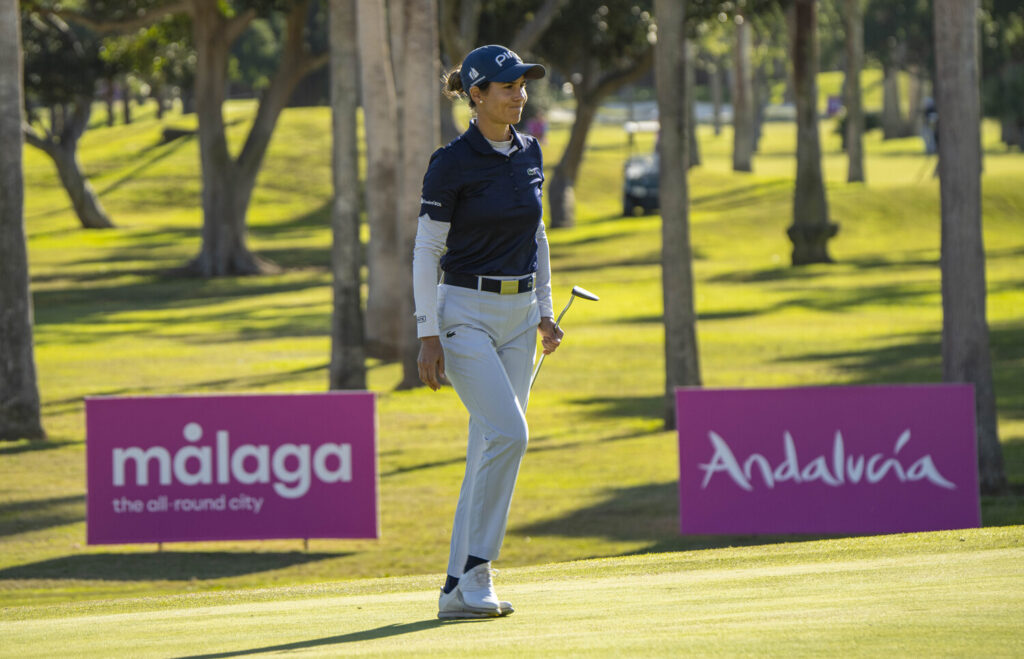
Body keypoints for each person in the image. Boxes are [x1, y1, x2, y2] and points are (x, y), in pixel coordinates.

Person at [412, 44, 562, 620]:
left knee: (488, 447)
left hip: (520, 317)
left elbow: (537, 235)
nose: (519, 94)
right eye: (507, 86)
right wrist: (427, 333)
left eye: (522, 85)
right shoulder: (451, 162)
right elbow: (427, 250)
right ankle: (477, 572)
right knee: (510, 435)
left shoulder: (530, 151)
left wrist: (545, 309)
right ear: (476, 96)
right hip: (464, 314)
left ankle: (457, 588)